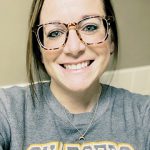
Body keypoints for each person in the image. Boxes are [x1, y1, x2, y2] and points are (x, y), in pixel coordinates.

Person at [0, 0, 150, 149]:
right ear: (40, 51)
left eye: (90, 27)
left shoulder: (144, 113)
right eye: (55, 33)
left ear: (111, 40)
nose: (74, 48)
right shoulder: (6, 109)